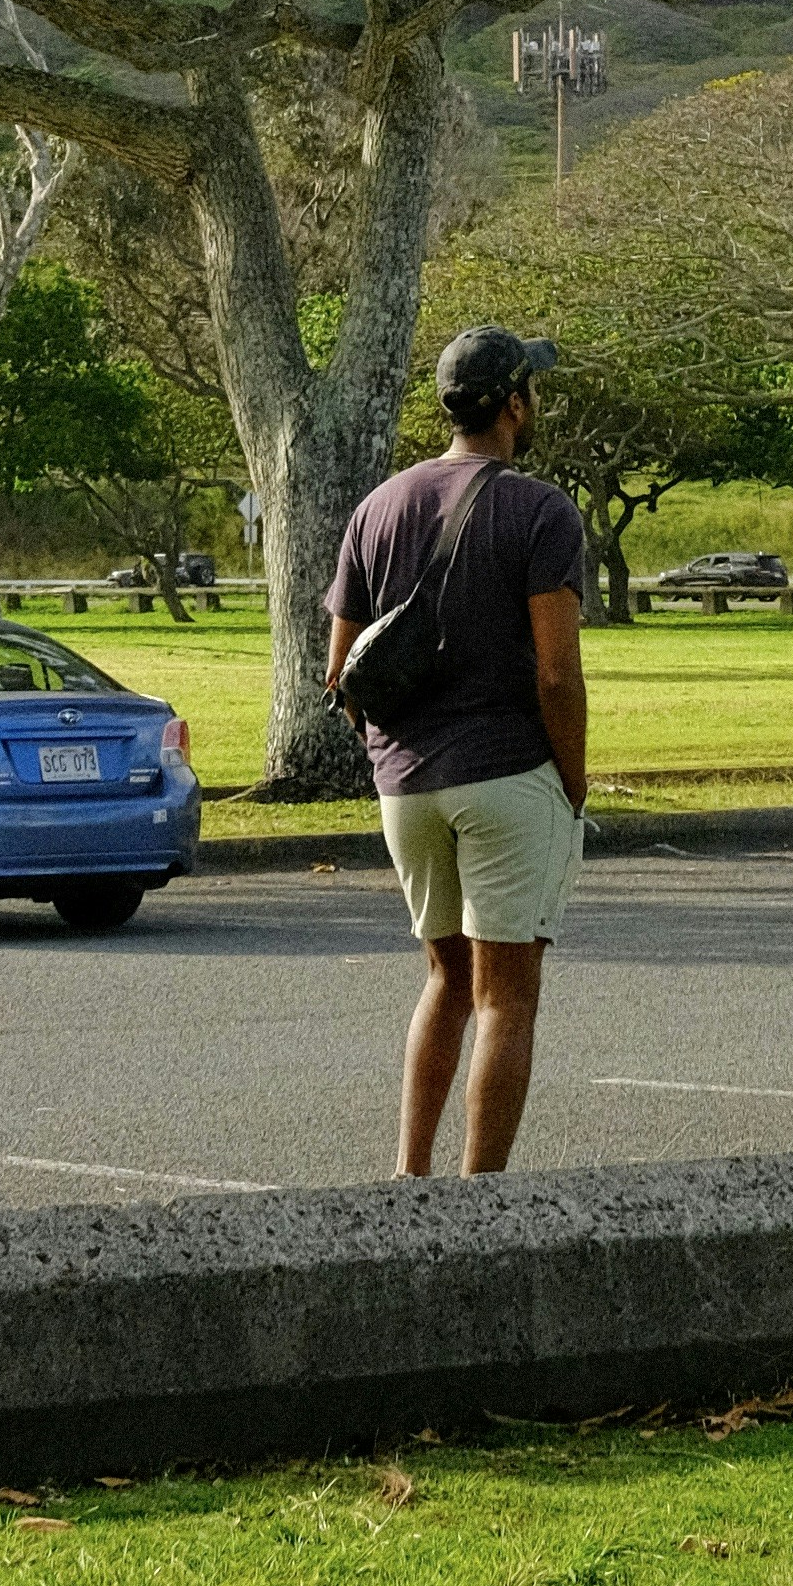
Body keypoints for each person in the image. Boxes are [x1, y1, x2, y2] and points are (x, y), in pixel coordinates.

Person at [326, 324, 592, 1176]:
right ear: (514, 404)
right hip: (510, 775)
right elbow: (557, 675)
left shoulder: (377, 506)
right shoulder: (541, 509)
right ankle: (483, 1204)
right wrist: (573, 782)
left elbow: (340, 674)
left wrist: (393, 756)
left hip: (406, 784)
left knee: (444, 978)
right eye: (532, 392)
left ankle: (410, 1178)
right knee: (505, 996)